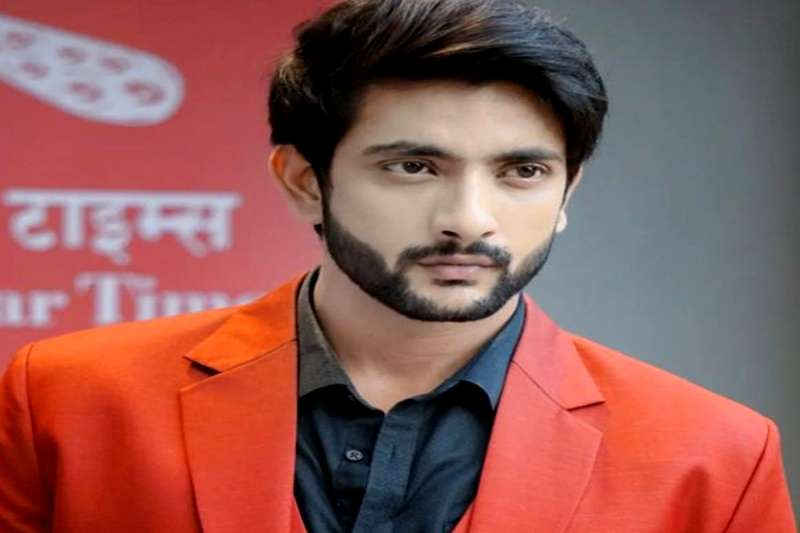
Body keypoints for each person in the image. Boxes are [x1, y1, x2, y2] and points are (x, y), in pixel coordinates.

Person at [0, 0, 796, 531]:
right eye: (414, 166)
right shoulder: (68, 401)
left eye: (521, 171)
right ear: (304, 181)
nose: (470, 218)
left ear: (566, 192)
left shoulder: (714, 454)